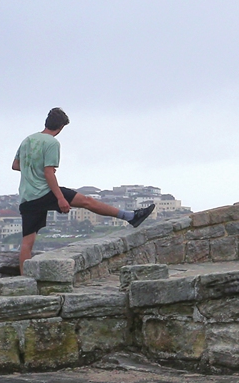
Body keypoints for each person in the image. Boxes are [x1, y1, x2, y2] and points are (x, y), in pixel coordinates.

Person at [12, 108, 154, 268]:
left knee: (27, 243)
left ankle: (24, 280)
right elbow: (48, 173)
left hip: (27, 196)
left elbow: (16, 165)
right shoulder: (51, 142)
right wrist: (60, 198)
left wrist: (34, 170)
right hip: (44, 191)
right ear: (61, 127)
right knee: (87, 201)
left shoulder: (27, 140)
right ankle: (131, 216)